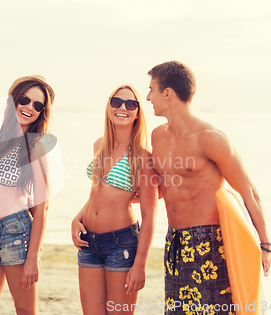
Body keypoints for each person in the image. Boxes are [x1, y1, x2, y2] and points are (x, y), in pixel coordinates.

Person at [146, 61, 271, 314]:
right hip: (174, 241)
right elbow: (160, 188)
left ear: (167, 93)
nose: (148, 97)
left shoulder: (210, 138)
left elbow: (248, 191)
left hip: (210, 243)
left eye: (152, 89)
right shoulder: (158, 136)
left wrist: (264, 244)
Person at [71, 85, 159, 315]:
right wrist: (77, 218)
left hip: (122, 245)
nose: (122, 107)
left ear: (138, 112)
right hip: (89, 242)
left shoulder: (143, 158)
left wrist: (140, 264)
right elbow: (99, 194)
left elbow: (150, 216)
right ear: (109, 105)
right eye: (116, 101)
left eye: (131, 104)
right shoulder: (99, 146)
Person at [0, 75, 54, 315]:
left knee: (25, 311)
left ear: (42, 112)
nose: (30, 107)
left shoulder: (37, 144)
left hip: (16, 232)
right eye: (25, 100)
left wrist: (33, 258)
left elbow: (43, 207)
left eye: (38, 105)